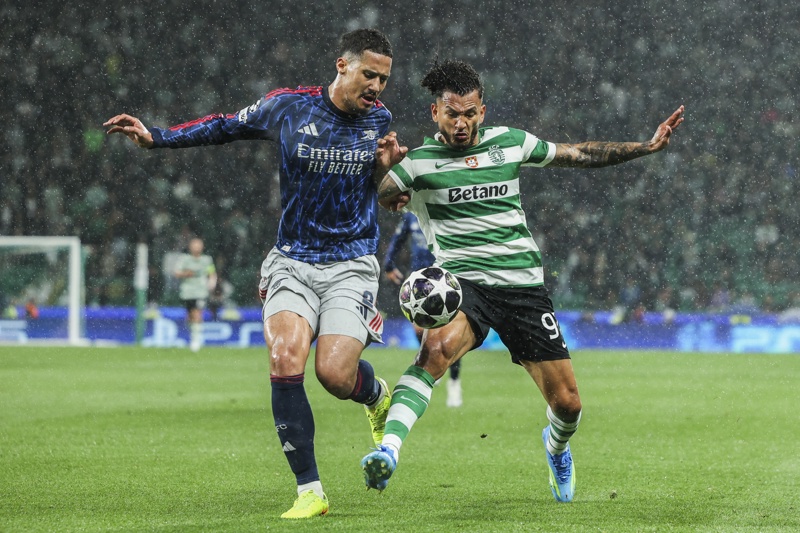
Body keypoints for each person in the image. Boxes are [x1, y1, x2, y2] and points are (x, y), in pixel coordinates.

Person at [105, 28, 404, 519]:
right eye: (369, 74)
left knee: (332, 375)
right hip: (293, 259)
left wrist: (387, 172)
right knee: (286, 357)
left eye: (384, 79)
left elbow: (382, 190)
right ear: (342, 65)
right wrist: (157, 137)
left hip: (351, 262)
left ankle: (374, 394)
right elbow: (224, 125)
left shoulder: (381, 121)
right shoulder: (287, 106)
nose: (376, 87)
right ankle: (310, 490)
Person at [362, 59, 685, 502]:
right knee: (434, 352)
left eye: (471, 113)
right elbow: (381, 196)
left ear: (483, 110)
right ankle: (388, 451)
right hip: (464, 287)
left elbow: (578, 154)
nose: (463, 123)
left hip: (523, 289)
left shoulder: (510, 143)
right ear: (435, 114)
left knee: (568, 405)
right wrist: (383, 170)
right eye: (453, 113)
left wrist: (645, 147)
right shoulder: (416, 165)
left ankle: (556, 448)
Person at [383, 211, 464, 407]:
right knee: (419, 329)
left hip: (444, 276)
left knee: (450, 334)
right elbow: (398, 238)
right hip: (419, 278)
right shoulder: (411, 215)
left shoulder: (443, 209)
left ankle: (454, 382)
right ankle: (434, 364)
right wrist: (388, 264)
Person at [172, 237, 217, 352]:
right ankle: (194, 335)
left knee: (197, 313)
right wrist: (186, 273)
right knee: (189, 316)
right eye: (195, 245)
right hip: (187, 292)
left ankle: (196, 341)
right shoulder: (184, 259)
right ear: (190, 247)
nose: (197, 247)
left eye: (199, 245)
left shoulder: (207, 260)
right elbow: (176, 273)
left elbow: (211, 273)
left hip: (201, 291)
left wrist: (212, 284)